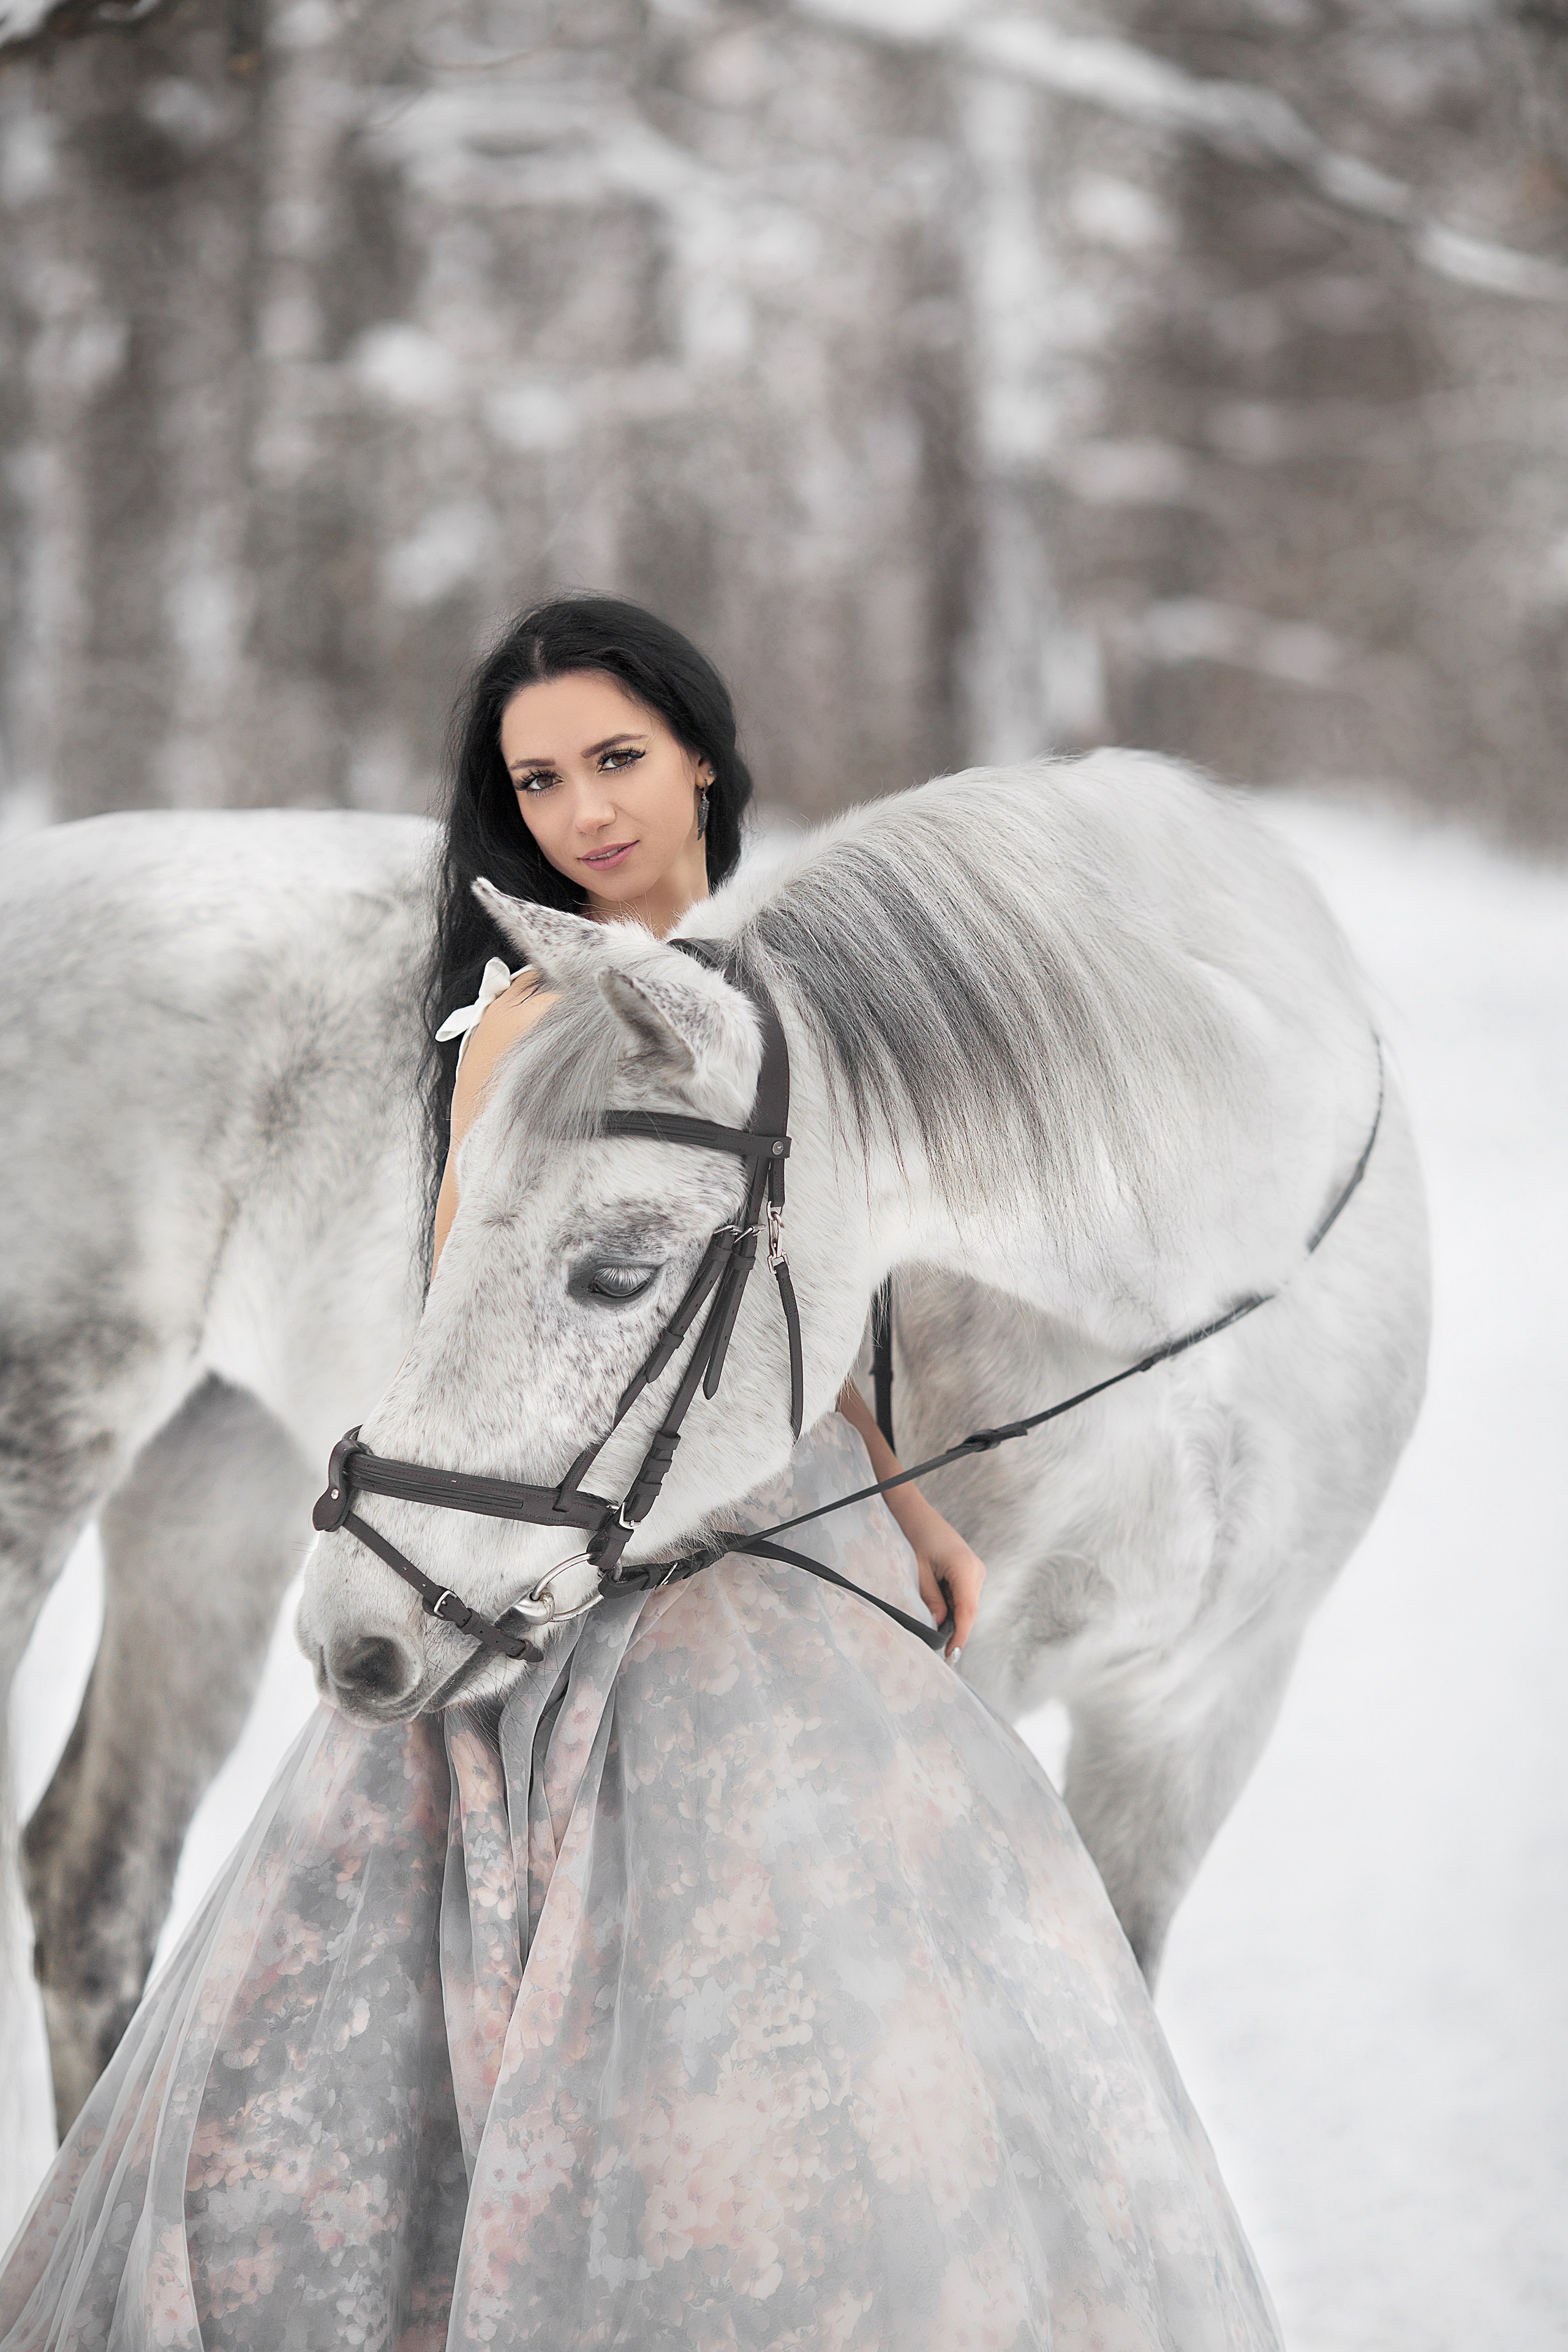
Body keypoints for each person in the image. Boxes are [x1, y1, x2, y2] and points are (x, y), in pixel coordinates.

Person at [0, 597, 1281, 2351]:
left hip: (754, 1544)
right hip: (572, 1549)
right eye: (538, 782)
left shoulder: (808, 995)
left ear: (699, 756)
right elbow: (503, 1336)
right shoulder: (522, 1034)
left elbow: (787, 1309)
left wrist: (909, 1508)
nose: (585, 811)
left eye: (616, 760)